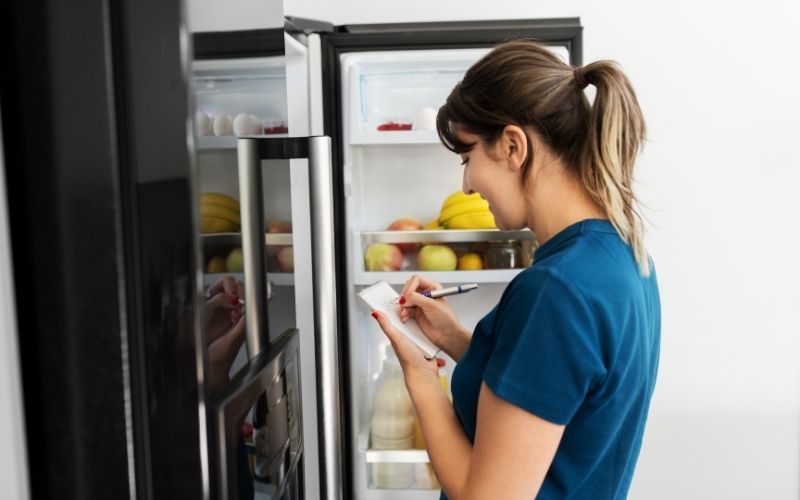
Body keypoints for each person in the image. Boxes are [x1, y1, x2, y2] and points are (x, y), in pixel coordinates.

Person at [370, 40, 661, 499]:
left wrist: (423, 383)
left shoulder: (555, 290)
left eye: (467, 158)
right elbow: (560, 391)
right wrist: (454, 339)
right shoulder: (625, 252)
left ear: (512, 145)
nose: (465, 185)